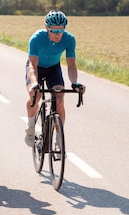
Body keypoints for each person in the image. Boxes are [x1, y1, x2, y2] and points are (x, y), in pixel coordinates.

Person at [24, 10, 85, 146]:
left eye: (61, 30)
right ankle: (31, 126)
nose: (58, 35)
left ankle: (59, 136)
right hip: (36, 68)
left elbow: (71, 65)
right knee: (36, 96)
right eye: (54, 31)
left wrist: (74, 82)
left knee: (59, 98)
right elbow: (32, 66)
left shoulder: (69, 39)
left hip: (53, 68)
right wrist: (34, 83)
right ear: (47, 28)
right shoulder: (36, 38)